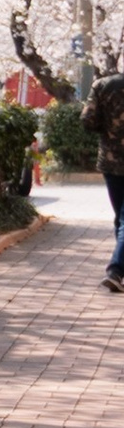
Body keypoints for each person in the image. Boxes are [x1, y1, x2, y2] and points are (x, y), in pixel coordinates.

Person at [89, 70, 124, 288]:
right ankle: (116, 269)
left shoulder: (103, 85)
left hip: (111, 161)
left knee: (120, 216)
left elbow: (88, 120)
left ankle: (117, 270)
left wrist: (110, 130)